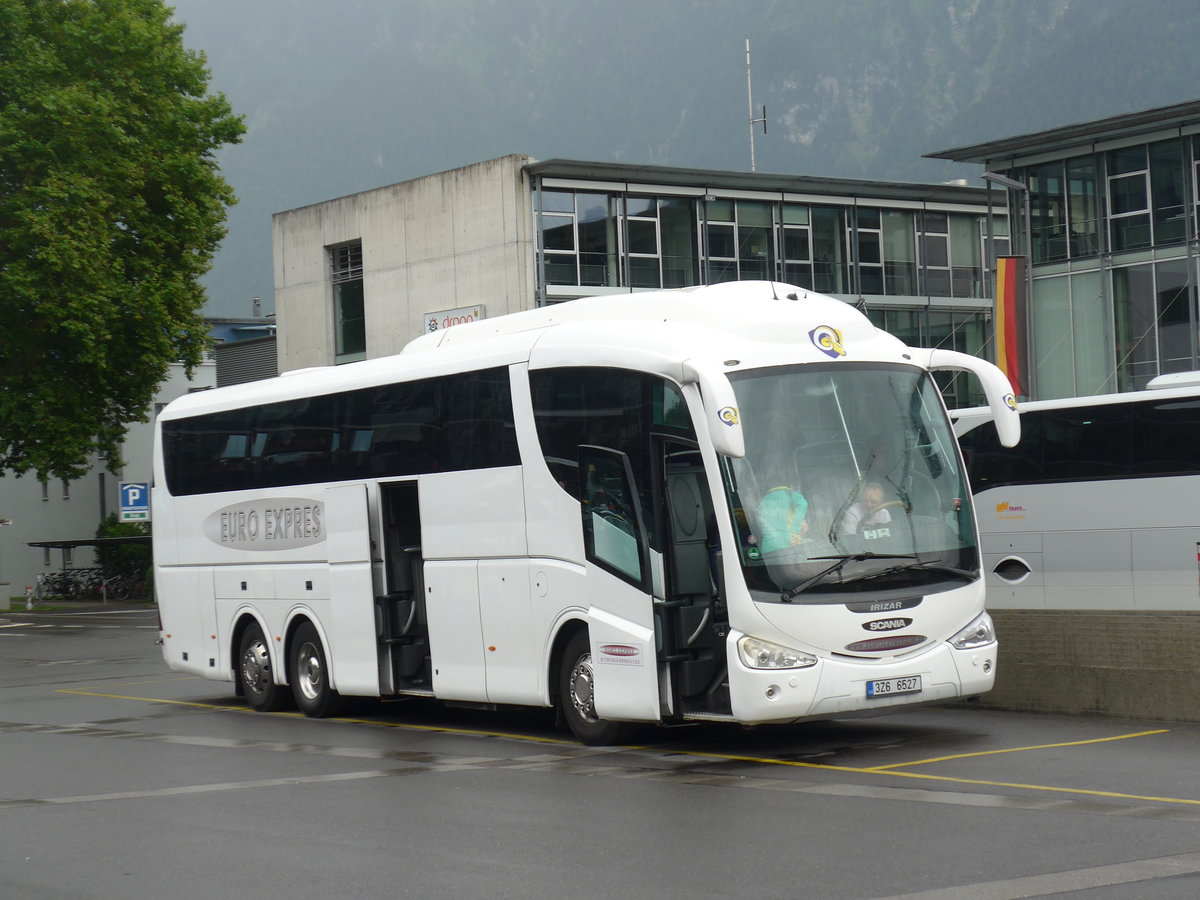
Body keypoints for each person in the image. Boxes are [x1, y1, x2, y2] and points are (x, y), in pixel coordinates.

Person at [756, 482, 809, 553]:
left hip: (767, 549)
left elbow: (761, 525)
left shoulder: (762, 502)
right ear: (790, 486)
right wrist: (795, 530)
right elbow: (802, 504)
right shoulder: (790, 494)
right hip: (788, 545)